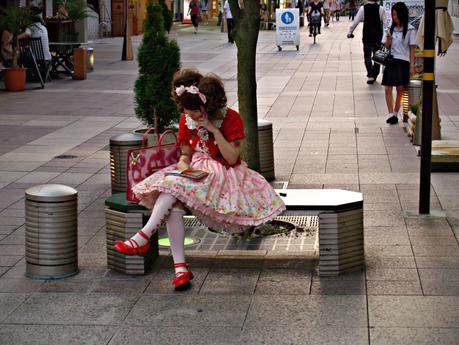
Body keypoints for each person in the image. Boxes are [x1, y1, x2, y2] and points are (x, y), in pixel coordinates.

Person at [114, 69, 286, 290]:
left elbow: (232, 159)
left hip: (225, 174)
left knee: (171, 191)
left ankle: (144, 239)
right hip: (196, 171)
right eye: (187, 111)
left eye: (194, 111)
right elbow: (186, 154)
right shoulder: (186, 120)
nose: (190, 116)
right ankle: (180, 269)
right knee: (172, 199)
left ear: (207, 106)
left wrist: (213, 129)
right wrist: (184, 167)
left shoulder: (230, 118)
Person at [382, 2, 416, 124]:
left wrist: (412, 66)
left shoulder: (411, 29)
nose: (394, 17)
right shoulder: (389, 28)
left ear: (401, 15)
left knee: (400, 89)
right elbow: (385, 46)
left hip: (403, 62)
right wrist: (388, 41)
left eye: (396, 15)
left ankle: (396, 112)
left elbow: (412, 49)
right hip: (391, 60)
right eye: (393, 15)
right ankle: (391, 113)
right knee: (387, 88)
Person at [347, 0, 386, 85]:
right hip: (377, 37)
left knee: (367, 56)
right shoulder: (381, 9)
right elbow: (386, 25)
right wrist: (384, 38)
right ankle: (375, 73)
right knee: (378, 57)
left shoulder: (363, 8)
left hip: (367, 36)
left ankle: (370, 74)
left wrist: (350, 32)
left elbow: (356, 21)